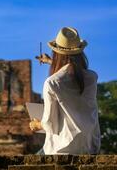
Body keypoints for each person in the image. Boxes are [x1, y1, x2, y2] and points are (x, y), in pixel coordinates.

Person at [30, 27, 101, 155]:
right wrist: (50, 62)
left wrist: (37, 125)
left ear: (56, 53)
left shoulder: (51, 83)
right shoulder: (92, 78)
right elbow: (72, 73)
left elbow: (49, 123)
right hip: (89, 145)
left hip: (63, 147)